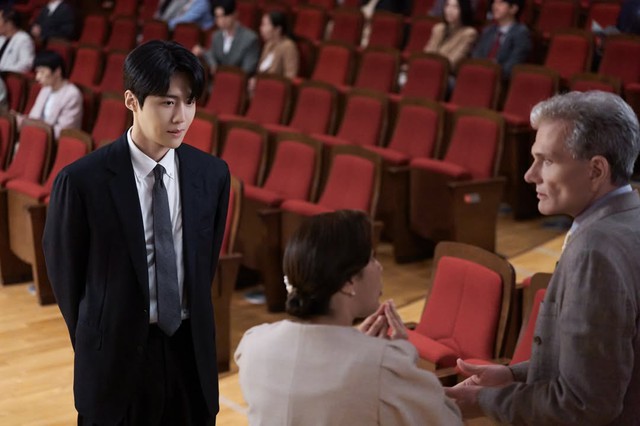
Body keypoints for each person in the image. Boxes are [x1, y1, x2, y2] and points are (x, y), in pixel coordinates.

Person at [42, 40, 230, 425]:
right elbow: (66, 278)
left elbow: (204, 263)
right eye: (168, 102)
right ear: (132, 101)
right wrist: (98, 338)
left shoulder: (212, 175)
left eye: (190, 102)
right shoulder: (82, 182)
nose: (181, 117)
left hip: (189, 355)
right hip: (115, 360)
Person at [445, 91, 640, 425]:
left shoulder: (595, 250)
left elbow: (585, 403)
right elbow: (606, 365)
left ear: (596, 170)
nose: (530, 174)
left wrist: (484, 400)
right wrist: (513, 376)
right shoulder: (630, 218)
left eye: (547, 161)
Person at [235, 210, 463, 425]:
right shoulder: (383, 366)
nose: (380, 267)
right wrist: (403, 359)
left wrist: (357, 347)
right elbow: (448, 420)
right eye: (372, 258)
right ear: (348, 282)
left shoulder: (252, 343)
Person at [16, 50, 82, 138]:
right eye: (37, 72)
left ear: (57, 72)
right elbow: (33, 118)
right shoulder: (46, 89)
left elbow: (63, 132)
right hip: (37, 137)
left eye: (42, 72)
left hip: (54, 142)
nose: (37, 77)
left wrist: (26, 123)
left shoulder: (72, 95)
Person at [191, 0, 259, 76]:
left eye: (224, 16)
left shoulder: (250, 38)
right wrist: (204, 53)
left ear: (235, 14)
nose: (221, 20)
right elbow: (213, 55)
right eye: (218, 17)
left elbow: (247, 70)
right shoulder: (216, 36)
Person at [471, 0, 530, 80]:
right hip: (477, 76)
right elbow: (476, 56)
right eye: (494, 2)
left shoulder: (521, 33)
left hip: (500, 81)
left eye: (501, 3)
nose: (495, 6)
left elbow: (513, 65)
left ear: (513, 9)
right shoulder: (488, 30)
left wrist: (490, 74)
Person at [247, 10, 299, 93]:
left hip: (275, 91)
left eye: (265, 25)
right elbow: (260, 70)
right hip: (261, 88)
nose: (261, 28)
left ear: (278, 29)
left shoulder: (289, 46)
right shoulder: (268, 45)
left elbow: (290, 77)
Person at [424, 0, 477, 72]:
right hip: (428, 69)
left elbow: (452, 62)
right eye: (447, 5)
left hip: (447, 74)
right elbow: (427, 53)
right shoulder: (438, 28)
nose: (450, 10)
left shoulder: (469, 34)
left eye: (455, 7)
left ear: (463, 9)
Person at [0, 7, 35, 73]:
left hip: (7, 76)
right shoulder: (2, 38)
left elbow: (26, 64)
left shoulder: (23, 39)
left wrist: (5, 71)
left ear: (9, 24)